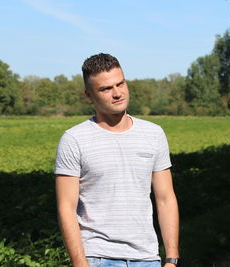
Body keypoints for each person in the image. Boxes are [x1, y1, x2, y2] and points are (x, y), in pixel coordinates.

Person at [54, 53, 180, 267]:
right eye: (105, 89)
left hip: (148, 258)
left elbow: (165, 198)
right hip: (98, 258)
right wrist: (80, 264)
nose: (116, 93)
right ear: (89, 95)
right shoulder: (74, 139)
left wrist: (171, 259)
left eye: (120, 84)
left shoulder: (154, 134)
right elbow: (66, 207)